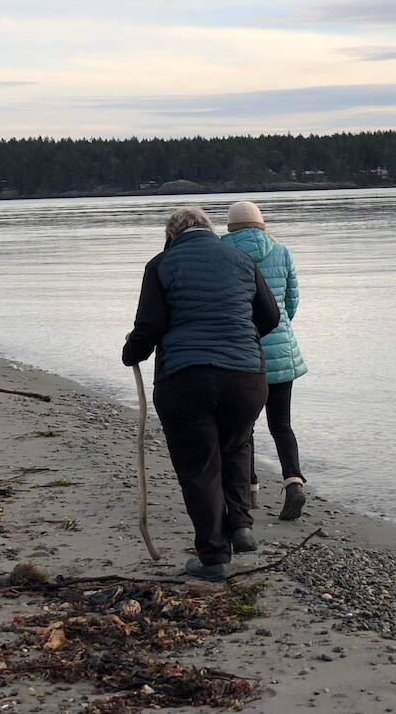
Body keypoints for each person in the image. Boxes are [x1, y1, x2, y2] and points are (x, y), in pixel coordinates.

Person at [122, 206, 279, 582]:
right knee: (237, 444)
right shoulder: (240, 259)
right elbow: (270, 316)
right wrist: (239, 337)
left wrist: (131, 352)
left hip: (186, 378)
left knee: (200, 466)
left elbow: (151, 325)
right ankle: (240, 524)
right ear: (210, 230)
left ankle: (214, 556)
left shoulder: (161, 264)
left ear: (171, 235)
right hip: (246, 377)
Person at [221, 201, 309, 521]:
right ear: (261, 224)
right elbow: (291, 300)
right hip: (281, 347)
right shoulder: (281, 251)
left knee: (244, 425)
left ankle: (251, 489)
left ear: (230, 227)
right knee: (281, 425)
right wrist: (280, 324)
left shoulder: (222, 252)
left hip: (242, 351)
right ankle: (293, 483)